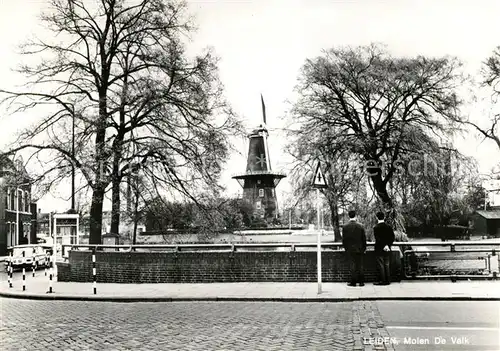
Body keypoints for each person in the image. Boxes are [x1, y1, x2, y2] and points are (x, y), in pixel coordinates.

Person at [342, 210, 366, 287]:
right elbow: (364, 239)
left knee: (352, 266)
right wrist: (364, 248)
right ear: (355, 216)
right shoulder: (361, 226)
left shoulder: (345, 226)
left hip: (350, 249)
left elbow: (344, 240)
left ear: (349, 216)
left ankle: (353, 282)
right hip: (359, 249)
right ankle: (361, 282)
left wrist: (346, 248)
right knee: (360, 265)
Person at [373, 211, 395, 285]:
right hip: (387, 249)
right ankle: (388, 280)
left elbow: (378, 239)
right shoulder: (389, 227)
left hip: (379, 249)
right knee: (387, 264)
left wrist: (383, 246)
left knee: (381, 265)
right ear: (384, 217)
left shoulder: (376, 228)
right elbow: (392, 237)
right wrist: (388, 245)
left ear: (377, 218)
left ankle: (383, 281)